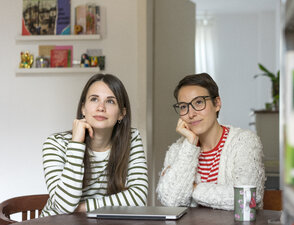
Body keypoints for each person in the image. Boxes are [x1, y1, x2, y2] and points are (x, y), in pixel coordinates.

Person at [41, 74, 148, 216]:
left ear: (121, 113)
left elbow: (139, 197)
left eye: (110, 101)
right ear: (83, 108)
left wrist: (81, 208)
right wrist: (76, 144)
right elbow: (64, 206)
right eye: (94, 99)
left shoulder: (131, 138)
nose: (101, 107)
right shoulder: (55, 144)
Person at [156, 73, 265, 210]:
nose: (191, 114)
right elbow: (171, 201)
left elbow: (247, 198)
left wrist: (193, 188)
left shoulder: (244, 142)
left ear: (217, 104)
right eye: (184, 106)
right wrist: (190, 144)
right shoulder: (178, 149)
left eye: (199, 102)